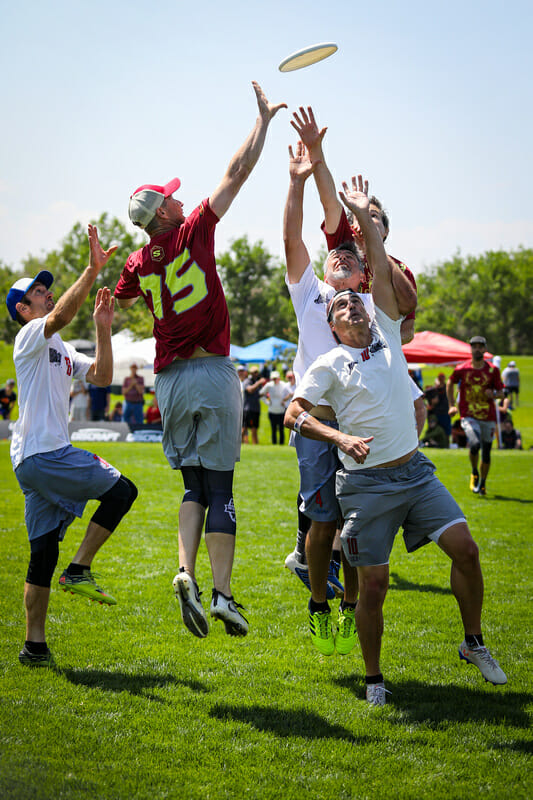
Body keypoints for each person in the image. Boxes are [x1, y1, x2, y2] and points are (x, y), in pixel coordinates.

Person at [285, 178, 506, 704]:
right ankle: (342, 633)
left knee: (466, 551)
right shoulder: (325, 350)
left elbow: (383, 278)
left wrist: (368, 221)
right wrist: (340, 436)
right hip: (360, 473)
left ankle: (473, 642)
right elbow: (296, 410)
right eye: (340, 310)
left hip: (413, 471)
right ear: (330, 322)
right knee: (329, 532)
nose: (350, 309)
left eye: (354, 303)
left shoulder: (382, 325)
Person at [114, 81, 286, 640]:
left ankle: (184, 569)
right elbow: (235, 174)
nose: (179, 196)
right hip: (211, 371)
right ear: (163, 210)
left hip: (168, 380)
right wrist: (261, 123)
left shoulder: (138, 262)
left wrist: (98, 272)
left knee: (191, 486)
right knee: (223, 490)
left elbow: (113, 300)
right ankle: (223, 594)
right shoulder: (191, 231)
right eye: (171, 195)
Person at [282, 139, 419, 654]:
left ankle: (347, 606)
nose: (338, 254)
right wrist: (297, 179)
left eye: (350, 255)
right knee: (324, 521)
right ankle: (319, 602)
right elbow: (294, 236)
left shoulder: (371, 306)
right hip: (319, 424)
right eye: (333, 253)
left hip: (366, 426)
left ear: (364, 273)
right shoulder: (311, 294)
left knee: (359, 530)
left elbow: (402, 300)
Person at [6, 224, 138, 668]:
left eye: (47, 289)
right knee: (123, 492)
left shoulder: (59, 347)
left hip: (34, 460)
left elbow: (101, 377)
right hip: (44, 454)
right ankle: (80, 569)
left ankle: (34, 647)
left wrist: (103, 328)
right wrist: (91, 269)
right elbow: (60, 316)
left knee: (42, 552)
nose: (46, 293)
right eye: (37, 292)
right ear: (22, 309)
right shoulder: (28, 336)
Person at [291, 106, 418, 345]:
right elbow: (329, 200)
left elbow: (409, 327)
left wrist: (371, 342)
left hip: (377, 356)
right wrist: (316, 152)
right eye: (358, 216)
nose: (364, 220)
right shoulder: (343, 248)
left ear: (385, 230)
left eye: (372, 216)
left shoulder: (401, 270)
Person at [447, 336, 505, 496]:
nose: (477, 349)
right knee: (474, 444)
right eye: (475, 346)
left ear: (485, 349)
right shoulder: (462, 369)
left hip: (488, 416)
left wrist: (493, 394)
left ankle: (483, 484)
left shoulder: (493, 370)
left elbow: (501, 393)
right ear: (471, 349)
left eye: (481, 346)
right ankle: (474, 471)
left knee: (486, 452)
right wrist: (452, 405)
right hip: (468, 414)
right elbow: (450, 382)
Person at [260, 370, 292, 445]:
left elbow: (290, 394)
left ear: (279, 378)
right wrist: (267, 402)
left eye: (276, 378)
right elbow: (261, 394)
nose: (275, 380)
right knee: (273, 429)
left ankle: (281, 443)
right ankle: (274, 443)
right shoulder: (269, 385)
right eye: (273, 379)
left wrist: (285, 402)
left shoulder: (284, 385)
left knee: (281, 429)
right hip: (272, 410)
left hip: (281, 410)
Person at [424, 373, 450, 443]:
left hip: (444, 412)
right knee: (434, 430)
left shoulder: (446, 388)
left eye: (442, 377)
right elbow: (423, 396)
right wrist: (428, 405)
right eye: (440, 377)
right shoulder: (434, 389)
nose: (441, 379)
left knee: (446, 431)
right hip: (436, 413)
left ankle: (446, 444)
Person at [243, 367, 266, 445]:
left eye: (256, 372)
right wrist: (259, 383)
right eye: (254, 372)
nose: (256, 374)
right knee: (244, 428)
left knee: (254, 428)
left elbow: (258, 394)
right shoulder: (247, 381)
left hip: (256, 409)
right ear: (251, 373)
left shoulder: (256, 382)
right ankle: (240, 444)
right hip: (248, 409)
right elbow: (250, 390)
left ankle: (254, 445)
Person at [236, 364, 249, 443]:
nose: (241, 373)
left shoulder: (246, 382)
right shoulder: (236, 382)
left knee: (245, 426)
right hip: (238, 407)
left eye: (242, 371)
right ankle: (239, 441)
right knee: (241, 426)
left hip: (245, 408)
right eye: (239, 371)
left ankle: (245, 442)